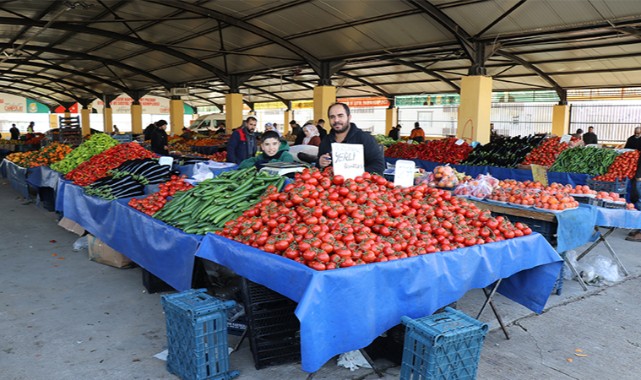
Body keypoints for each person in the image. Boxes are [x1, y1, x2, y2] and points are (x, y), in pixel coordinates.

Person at [317, 102, 385, 174]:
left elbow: (379, 166)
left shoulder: (365, 138)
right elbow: (319, 169)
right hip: (331, 184)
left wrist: (353, 173)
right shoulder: (325, 141)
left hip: (359, 184)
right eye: (332, 117)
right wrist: (320, 163)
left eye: (340, 116)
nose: (336, 120)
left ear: (349, 117)